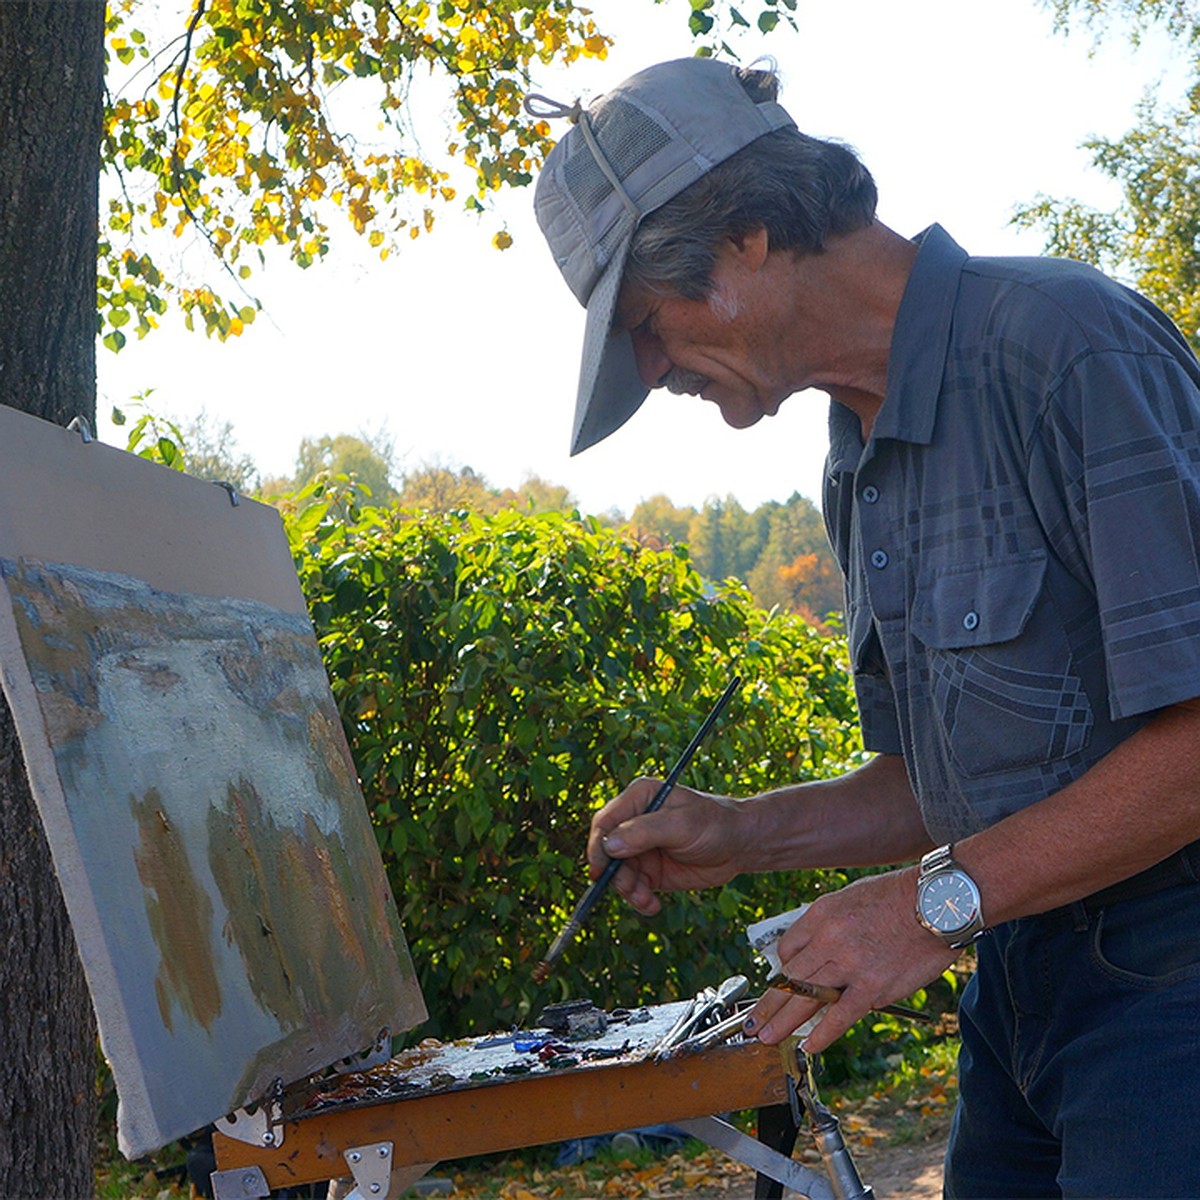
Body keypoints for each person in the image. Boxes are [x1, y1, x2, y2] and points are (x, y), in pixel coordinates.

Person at [529, 57, 1200, 1199]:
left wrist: (928, 906)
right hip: (1019, 988)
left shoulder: (1063, 345)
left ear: (748, 232)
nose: (648, 374)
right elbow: (942, 787)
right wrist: (740, 834)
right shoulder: (857, 456)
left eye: (647, 320)